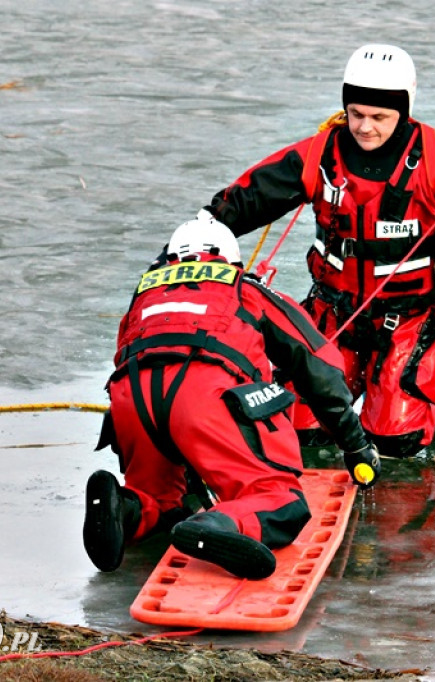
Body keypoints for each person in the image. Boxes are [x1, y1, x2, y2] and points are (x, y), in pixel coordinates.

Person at [197, 44, 435, 458]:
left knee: (395, 443)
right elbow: (242, 202)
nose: (365, 127)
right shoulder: (320, 156)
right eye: (356, 114)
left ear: (404, 111)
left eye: (379, 117)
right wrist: (193, 244)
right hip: (331, 314)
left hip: (408, 319)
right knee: (298, 433)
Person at [83, 213, 381, 580]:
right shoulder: (246, 287)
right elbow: (319, 369)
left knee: (163, 500)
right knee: (281, 502)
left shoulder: (145, 294)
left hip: (130, 398)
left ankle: (126, 508)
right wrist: (355, 446)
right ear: (231, 258)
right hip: (203, 392)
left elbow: (128, 354)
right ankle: (222, 525)